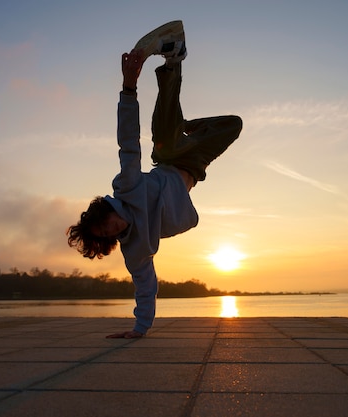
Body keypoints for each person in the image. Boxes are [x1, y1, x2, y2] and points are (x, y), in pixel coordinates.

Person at [67, 21, 242, 338]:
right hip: (193, 165)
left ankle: (174, 61)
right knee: (234, 125)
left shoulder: (127, 187)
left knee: (165, 139)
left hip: (168, 154)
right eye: (107, 234)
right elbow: (145, 286)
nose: (113, 229)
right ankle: (183, 124)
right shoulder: (135, 249)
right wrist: (139, 329)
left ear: (108, 211)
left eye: (107, 224)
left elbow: (128, 142)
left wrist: (128, 89)